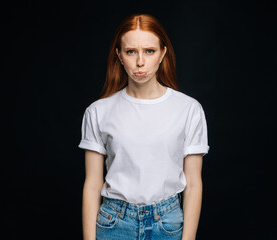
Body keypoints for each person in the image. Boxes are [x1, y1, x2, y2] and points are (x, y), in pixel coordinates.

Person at [78, 13, 210, 240]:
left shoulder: (189, 109)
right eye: (131, 52)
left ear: (162, 53)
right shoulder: (98, 111)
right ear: (119, 55)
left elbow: (194, 184)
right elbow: (92, 184)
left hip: (167, 223)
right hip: (114, 222)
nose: (140, 62)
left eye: (149, 51)